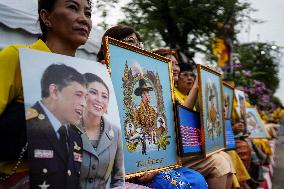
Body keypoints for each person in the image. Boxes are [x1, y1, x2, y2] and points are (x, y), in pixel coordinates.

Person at [98, 25, 208, 189]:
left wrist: (159, 161)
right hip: (125, 163)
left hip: (157, 159)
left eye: (139, 44)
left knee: (198, 180)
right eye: (130, 42)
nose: (137, 47)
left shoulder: (157, 93)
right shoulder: (102, 78)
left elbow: (166, 129)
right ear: (111, 46)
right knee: (177, 185)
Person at [0, 0, 92, 186]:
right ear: (46, 17)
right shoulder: (16, 56)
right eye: (73, 8)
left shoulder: (92, 78)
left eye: (88, 13)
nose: (84, 19)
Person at [153, 48, 235, 189]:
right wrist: (196, 88)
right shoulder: (157, 90)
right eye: (170, 63)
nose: (176, 68)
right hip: (169, 153)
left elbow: (189, 121)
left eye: (177, 64)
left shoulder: (172, 91)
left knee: (226, 158)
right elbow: (179, 120)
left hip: (184, 148)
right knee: (219, 164)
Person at [27, 64, 87, 188]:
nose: (84, 104)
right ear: (54, 92)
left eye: (85, 97)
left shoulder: (75, 136)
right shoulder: (26, 126)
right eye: (78, 94)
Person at [78, 73, 124, 188]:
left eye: (104, 96)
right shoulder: (66, 129)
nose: (99, 100)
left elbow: (119, 179)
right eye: (93, 92)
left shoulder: (115, 132)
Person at [134, 78, 157, 146]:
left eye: (147, 93)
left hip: (152, 137)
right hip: (142, 137)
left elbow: (154, 122)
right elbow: (136, 123)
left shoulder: (153, 109)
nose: (147, 95)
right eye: (144, 93)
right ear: (141, 95)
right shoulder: (137, 110)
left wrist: (151, 130)